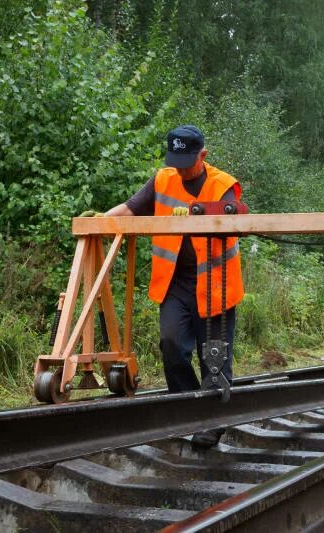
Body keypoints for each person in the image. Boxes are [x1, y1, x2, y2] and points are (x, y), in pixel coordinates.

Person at [105, 125, 243, 448]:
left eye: (186, 162)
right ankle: (188, 411)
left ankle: (212, 423)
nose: (180, 169)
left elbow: (235, 213)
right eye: (175, 160)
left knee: (215, 359)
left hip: (215, 287)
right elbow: (129, 210)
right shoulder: (163, 179)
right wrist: (97, 222)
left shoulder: (223, 185)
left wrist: (198, 213)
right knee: (171, 345)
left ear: (203, 155)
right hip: (175, 286)